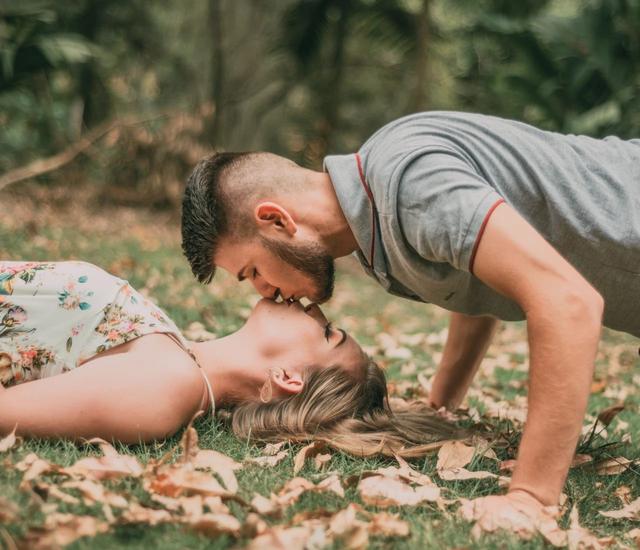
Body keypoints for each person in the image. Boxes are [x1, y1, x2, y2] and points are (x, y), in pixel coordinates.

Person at [181, 111, 640, 519]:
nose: (264, 291)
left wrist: (531, 497)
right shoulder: (372, 234)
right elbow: (480, 277)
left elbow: (567, 302)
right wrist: (443, 403)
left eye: (253, 271)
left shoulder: (410, 184)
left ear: (277, 220)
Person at [0, 260, 463, 452]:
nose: (315, 307)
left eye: (327, 332)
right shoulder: (175, 356)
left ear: (289, 377)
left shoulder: (165, 388)